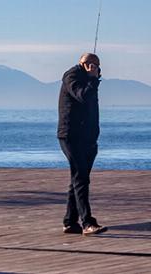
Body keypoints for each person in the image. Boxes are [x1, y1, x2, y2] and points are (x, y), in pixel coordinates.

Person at [58, 53, 107, 236]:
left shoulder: (90, 81)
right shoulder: (72, 77)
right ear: (86, 65)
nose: (98, 72)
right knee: (81, 178)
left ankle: (70, 222)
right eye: (95, 67)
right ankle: (87, 222)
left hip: (88, 139)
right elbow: (82, 96)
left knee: (78, 179)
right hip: (71, 136)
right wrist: (92, 79)